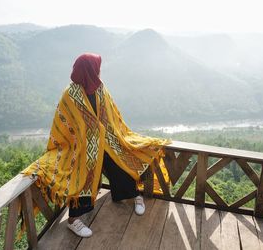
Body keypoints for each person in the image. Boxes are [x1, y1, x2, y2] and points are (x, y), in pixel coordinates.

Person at [22, 53, 170, 238]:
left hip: (107, 140)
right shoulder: (70, 94)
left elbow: (111, 115)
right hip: (81, 148)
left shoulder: (100, 88)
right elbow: (65, 124)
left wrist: (112, 135)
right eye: (97, 66)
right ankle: (73, 220)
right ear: (90, 70)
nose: (100, 70)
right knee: (83, 174)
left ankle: (135, 194)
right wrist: (85, 140)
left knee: (120, 163)